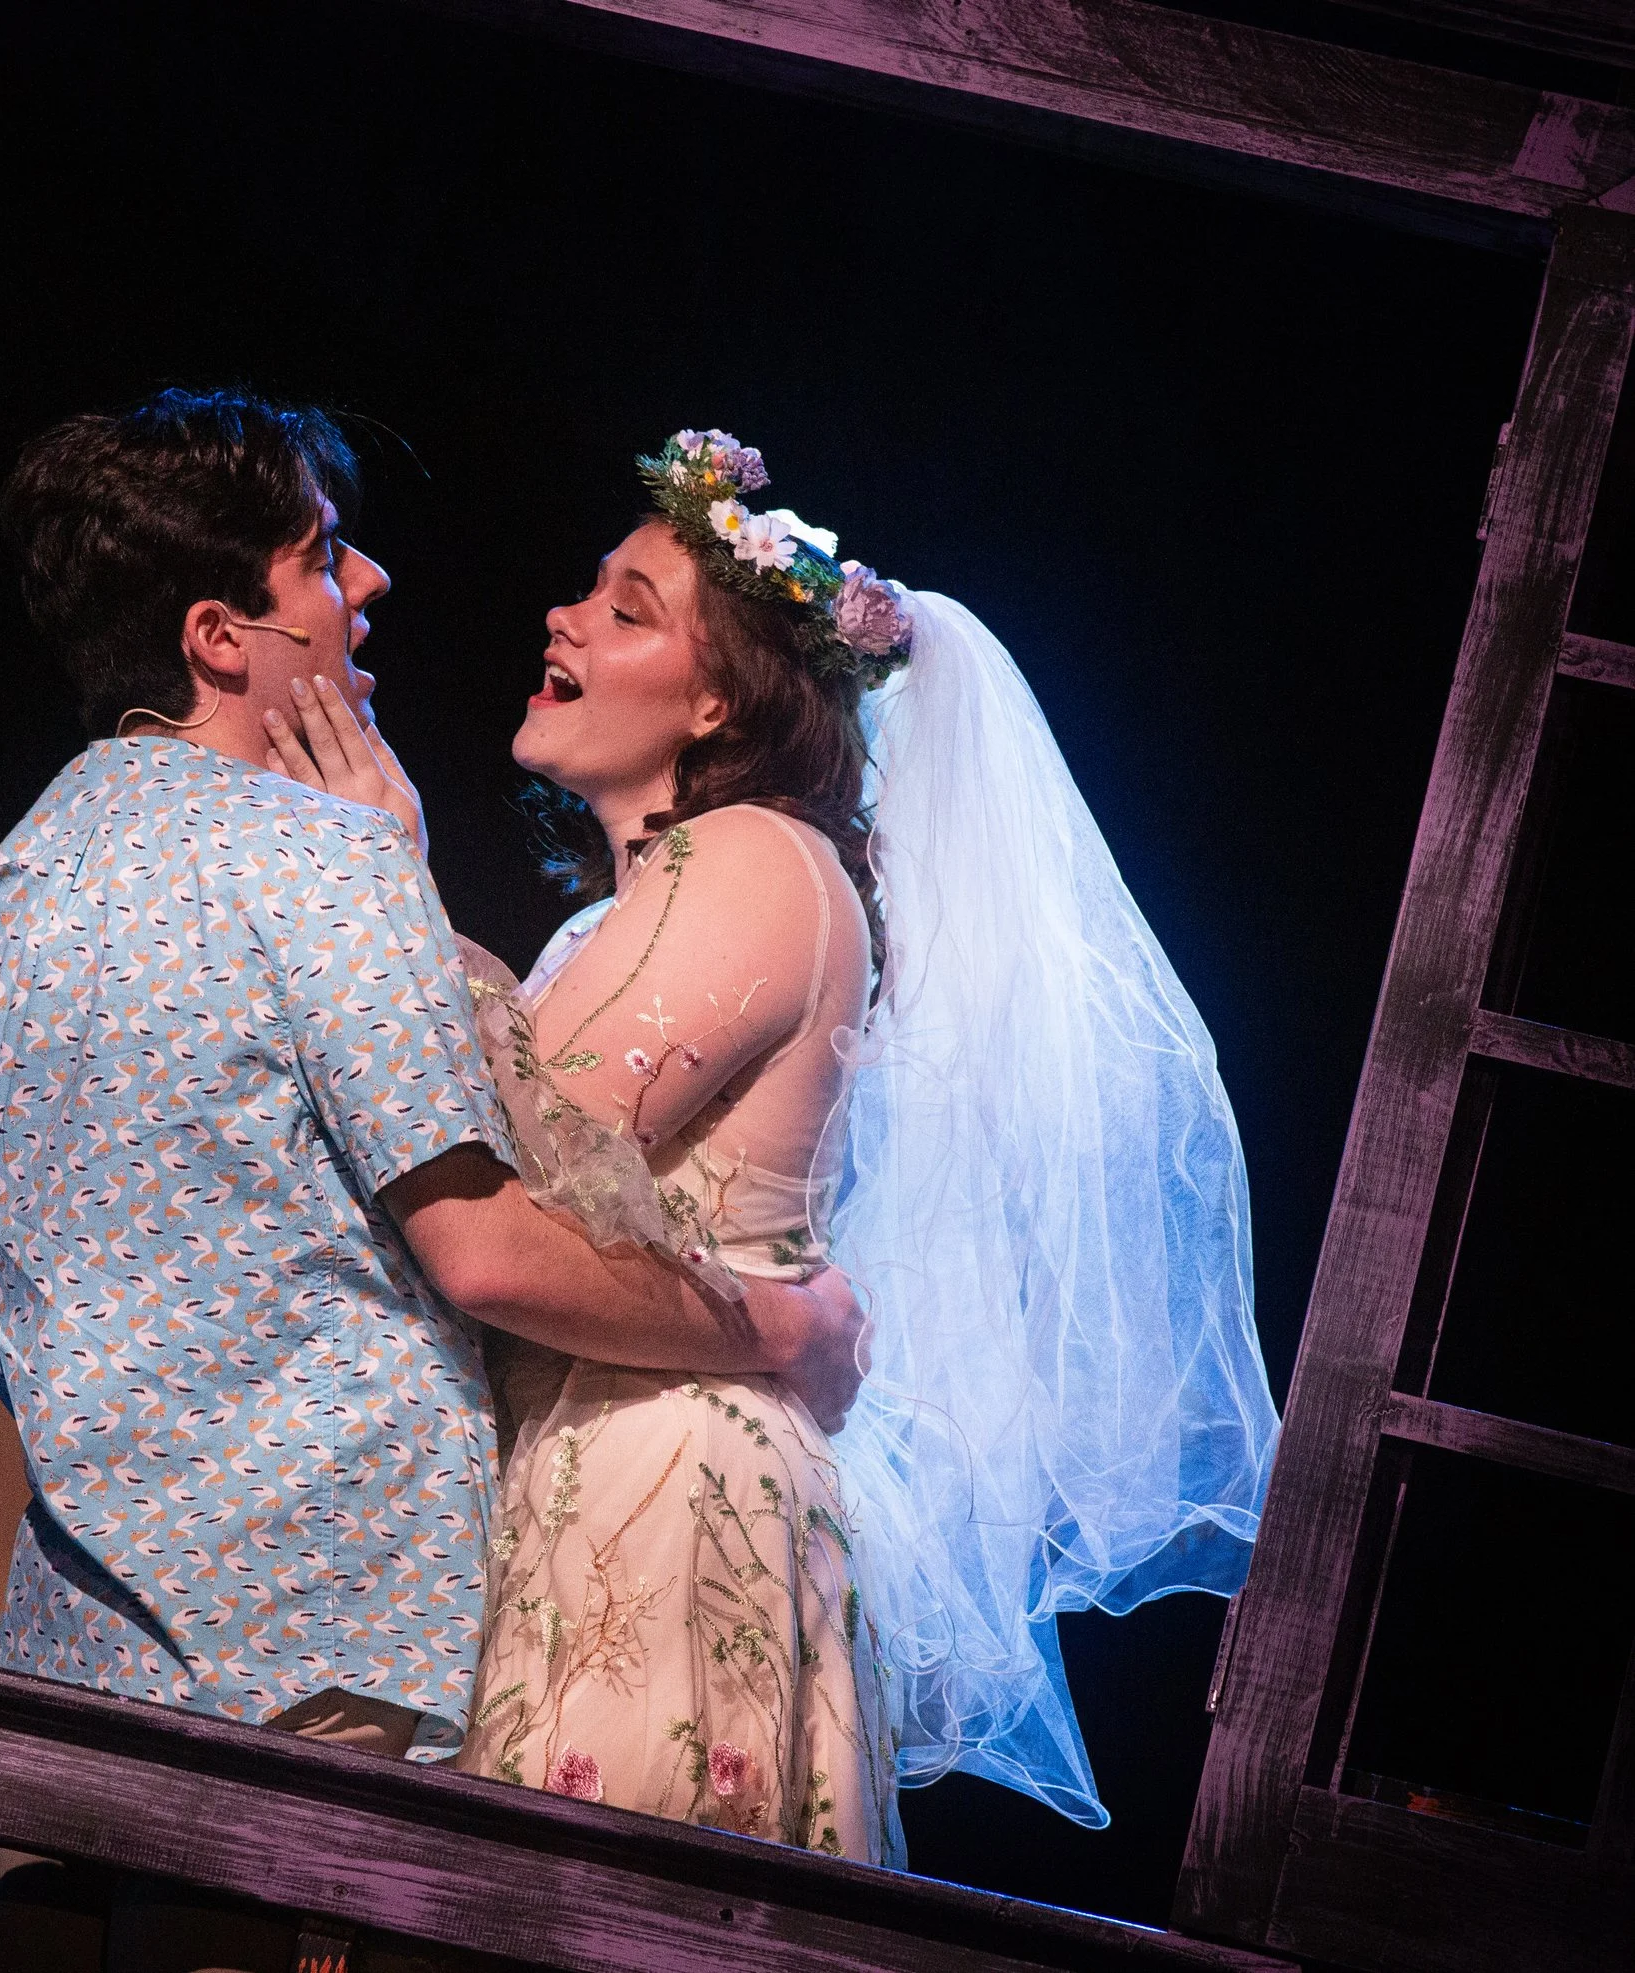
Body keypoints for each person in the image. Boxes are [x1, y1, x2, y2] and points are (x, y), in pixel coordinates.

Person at [0, 394, 867, 1966]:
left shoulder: (0, 896)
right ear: (223, 637)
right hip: (325, 1658)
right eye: (322, 557)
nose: (370, 585)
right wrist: (780, 1330)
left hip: (87, 1654)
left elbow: (9, 1265)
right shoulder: (321, 858)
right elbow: (488, 1253)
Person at [270, 427, 1279, 1856]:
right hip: (609, 1446)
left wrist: (386, 878)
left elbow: (533, 1152)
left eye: (629, 610)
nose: (565, 616)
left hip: (670, 1477)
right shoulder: (614, 917)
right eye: (589, 590)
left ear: (715, 704)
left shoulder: (749, 857)